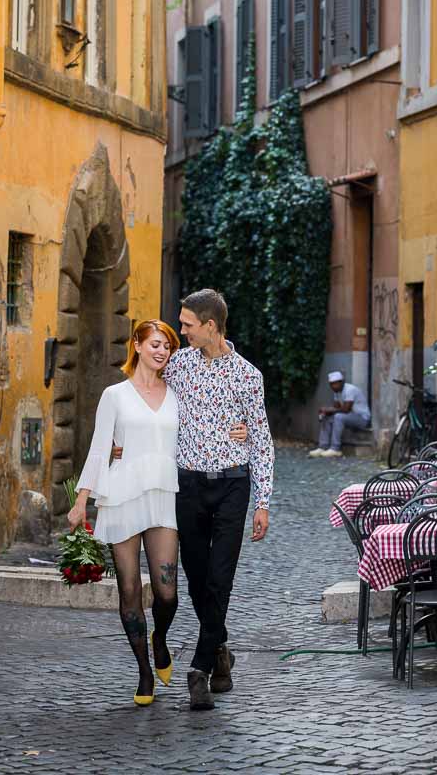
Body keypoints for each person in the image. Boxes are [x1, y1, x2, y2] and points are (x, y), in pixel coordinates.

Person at [68, 318, 248, 707]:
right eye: (154, 343)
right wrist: (83, 498)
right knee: (130, 591)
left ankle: (160, 638)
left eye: (167, 345)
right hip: (122, 496)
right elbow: (101, 448)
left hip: (166, 496)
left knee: (167, 593)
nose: (162, 350)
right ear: (136, 345)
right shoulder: (114, 395)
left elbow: (208, 419)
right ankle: (145, 672)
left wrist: (242, 429)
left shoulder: (178, 391)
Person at [161, 288, 274, 711]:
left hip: (232, 486)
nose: (182, 330)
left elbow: (261, 441)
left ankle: (200, 668)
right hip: (188, 486)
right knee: (197, 578)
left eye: (188, 325)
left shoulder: (248, 375)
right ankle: (222, 650)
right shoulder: (179, 366)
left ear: (211, 326)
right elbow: (148, 397)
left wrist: (262, 501)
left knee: (220, 576)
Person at [309, 370, 371, 458]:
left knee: (338, 417)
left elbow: (346, 409)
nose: (333, 386)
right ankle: (323, 447)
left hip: (362, 419)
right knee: (327, 416)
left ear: (342, 382)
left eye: (335, 383)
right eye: (331, 384)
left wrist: (329, 410)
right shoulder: (337, 392)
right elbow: (336, 408)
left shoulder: (350, 389)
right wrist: (325, 412)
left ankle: (335, 449)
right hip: (349, 417)